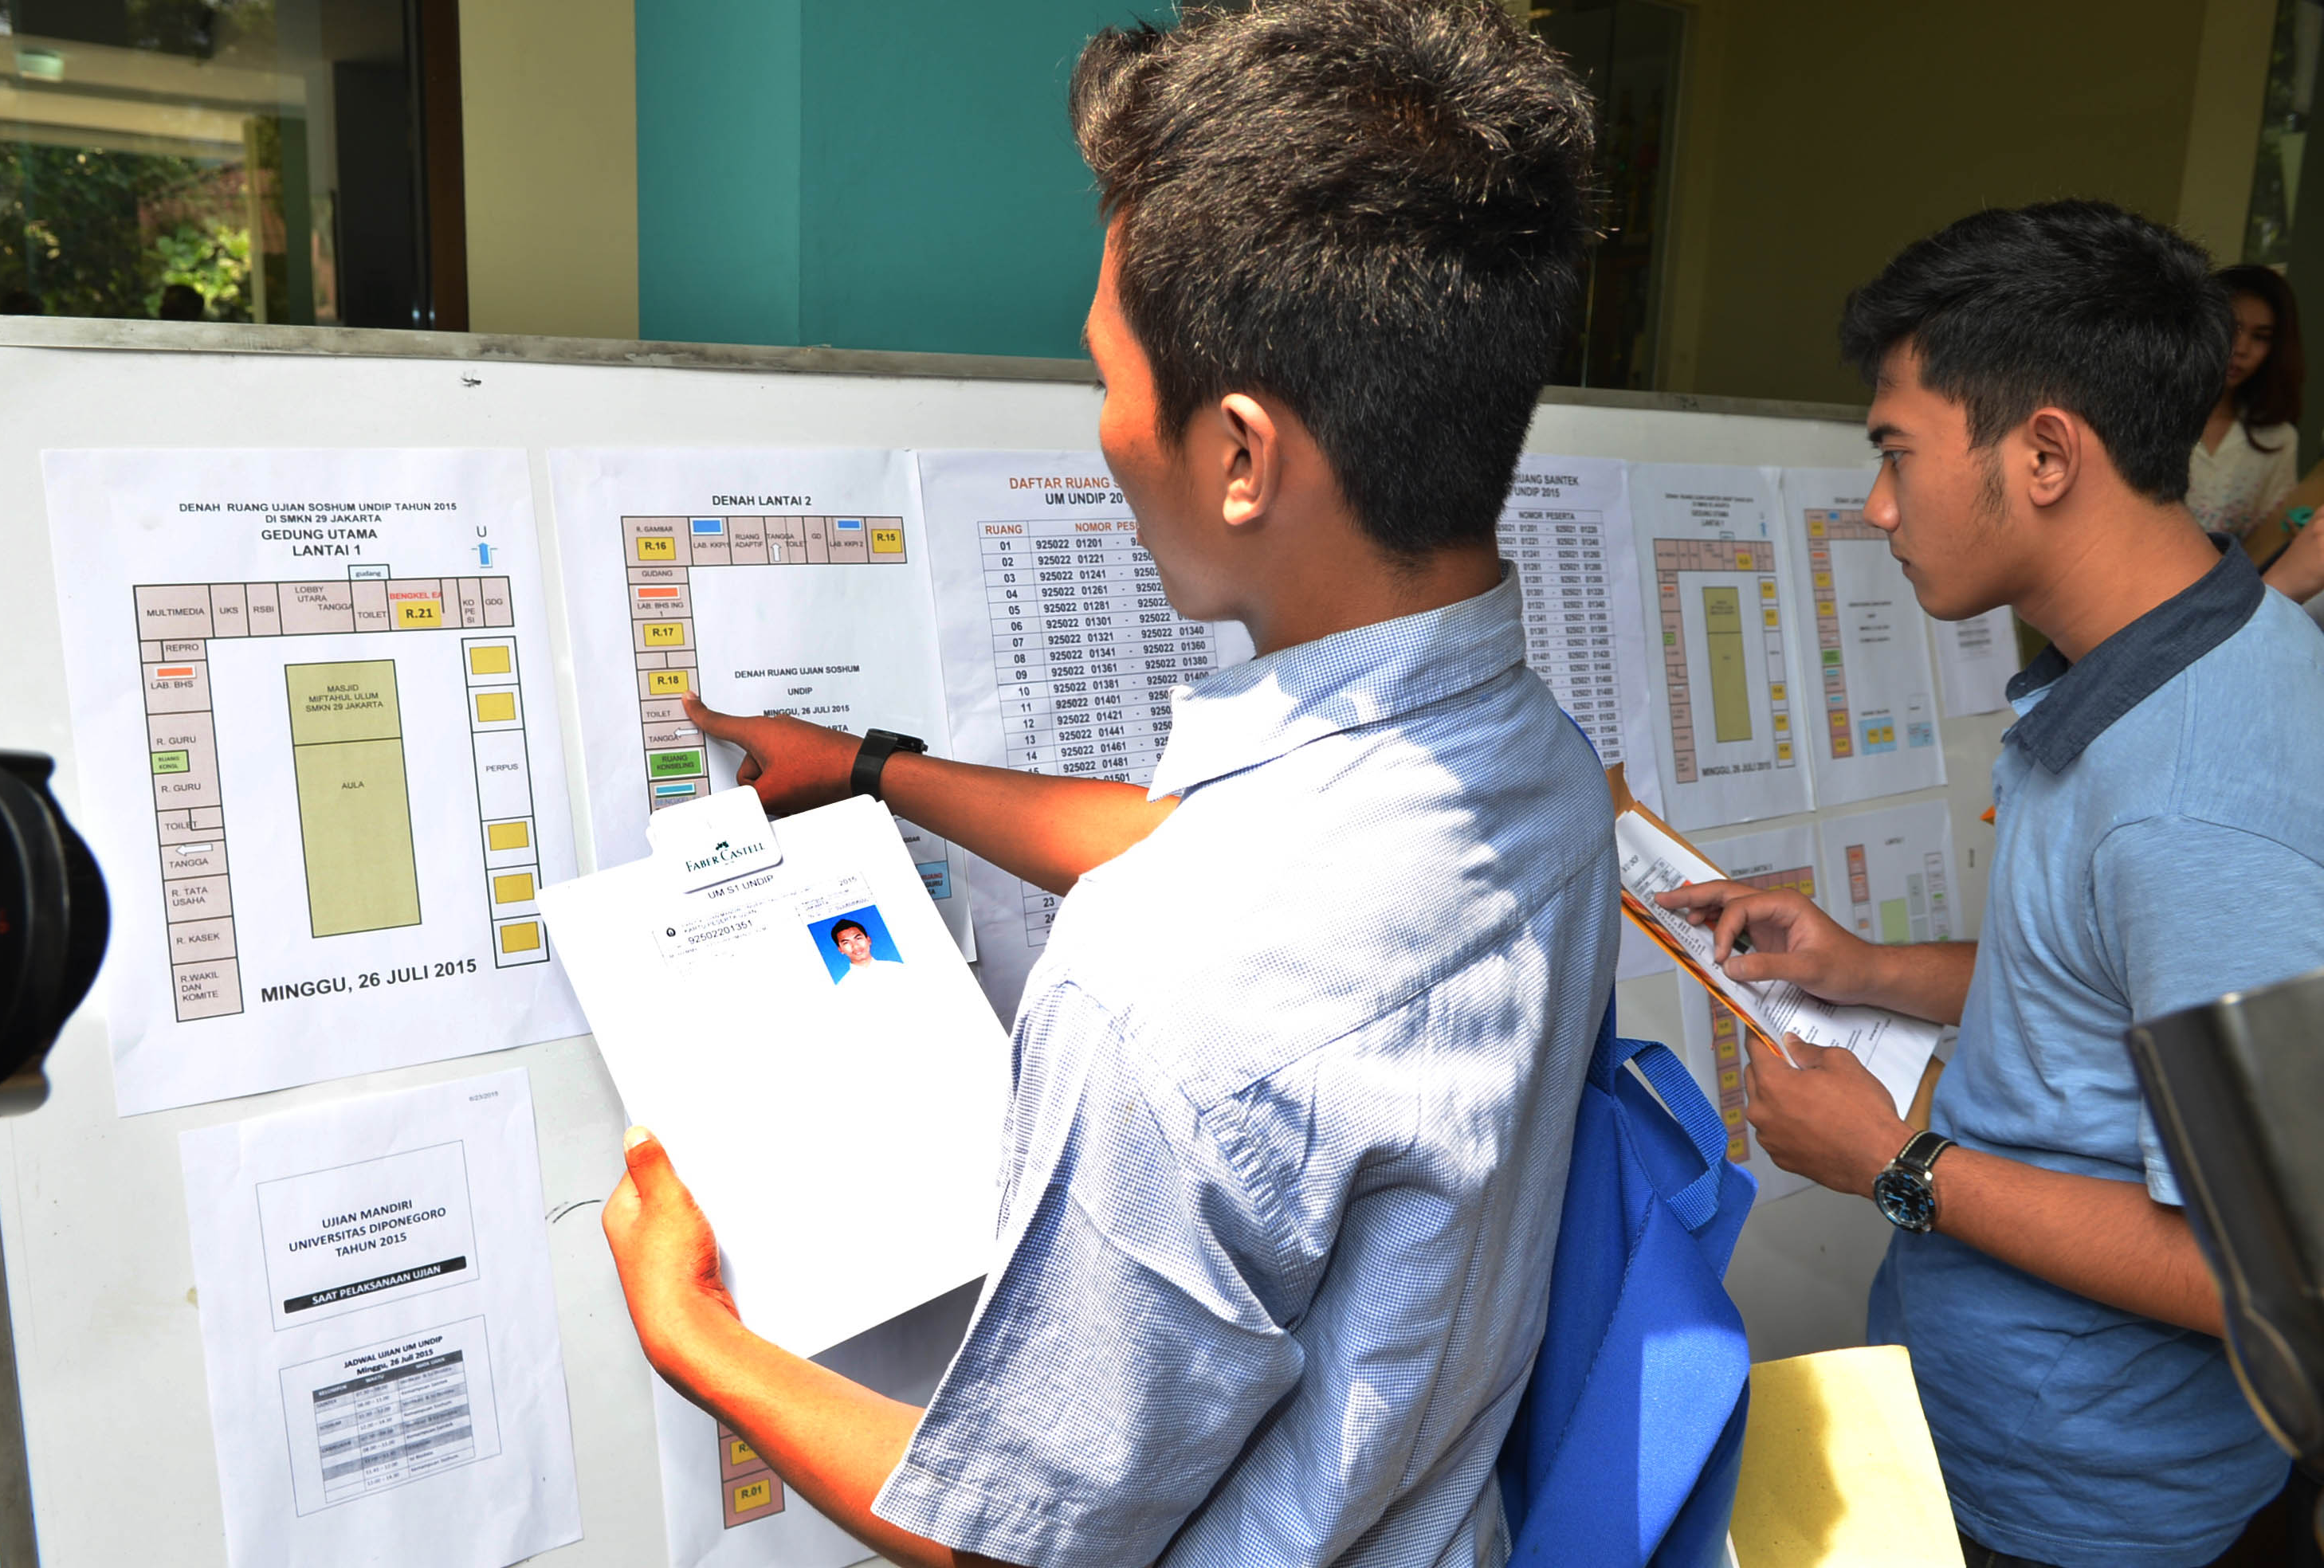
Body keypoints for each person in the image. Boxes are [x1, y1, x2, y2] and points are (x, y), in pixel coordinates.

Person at [599, 4, 1618, 1565]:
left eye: (1105, 374)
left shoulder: (1165, 991)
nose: (1100, 432)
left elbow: (1012, 1543)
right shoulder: (1531, 763)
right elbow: (1198, 855)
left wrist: (694, 1335)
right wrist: (879, 772)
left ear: (1236, 456)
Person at [1657, 201, 2324, 1568]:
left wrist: (1896, 1165)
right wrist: (1857, 966)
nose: (1876, 507)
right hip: (1985, 1441)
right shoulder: (2164, 657)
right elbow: (2109, 977)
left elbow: (2268, 1270)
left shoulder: (2194, 797)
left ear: (2040, 454)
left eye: (1896, 455)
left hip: (2081, 1513)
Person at [2187, 264, 2302, 541]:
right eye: (2232, 327)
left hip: (2232, 583)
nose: (2241, 349)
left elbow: (2269, 541)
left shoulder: (2277, 439)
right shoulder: (2147, 414)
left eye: (2260, 337)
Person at [827, 916, 901, 984]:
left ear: (869, 940)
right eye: (846, 943)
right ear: (840, 950)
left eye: (858, 938)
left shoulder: (897, 969)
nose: (855, 946)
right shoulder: (843, 986)